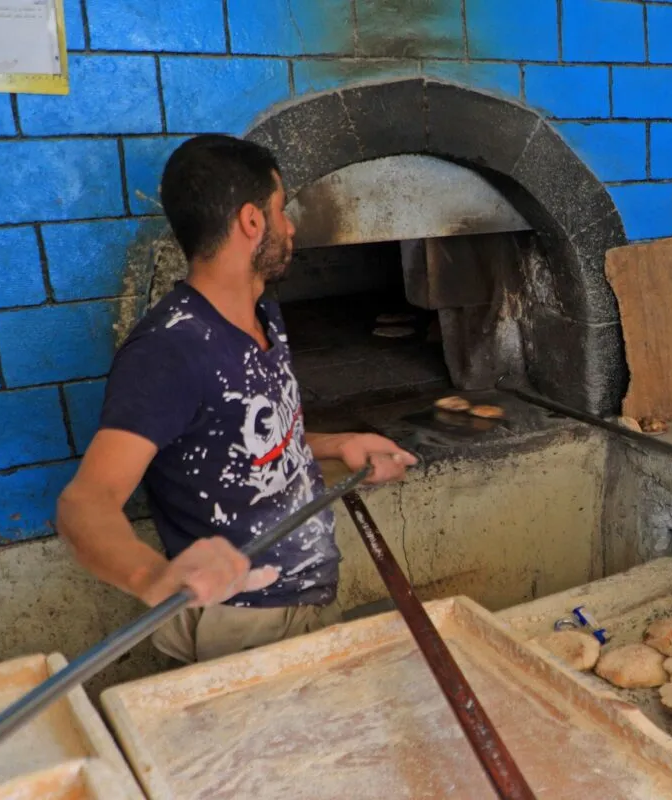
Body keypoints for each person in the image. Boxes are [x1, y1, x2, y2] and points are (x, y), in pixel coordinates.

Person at [56, 134, 418, 664]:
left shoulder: (262, 316)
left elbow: (246, 439)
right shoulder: (170, 351)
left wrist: (341, 444)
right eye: (281, 210)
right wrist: (154, 576)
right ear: (251, 221)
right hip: (245, 620)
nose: (289, 227)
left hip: (305, 600)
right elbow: (83, 502)